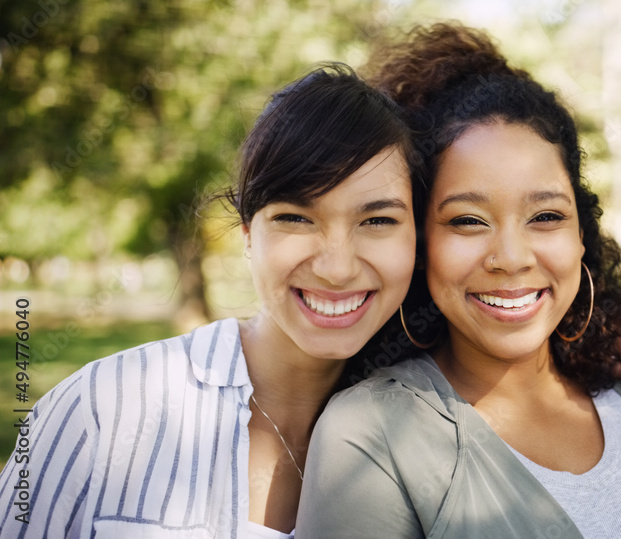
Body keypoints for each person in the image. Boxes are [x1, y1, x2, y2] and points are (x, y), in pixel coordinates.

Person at [296, 24, 621, 538]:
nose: (511, 258)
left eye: (546, 216)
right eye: (467, 220)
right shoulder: (371, 435)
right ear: (421, 246)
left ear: (582, 234)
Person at [0, 64, 419, 538]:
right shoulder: (102, 410)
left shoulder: (429, 438)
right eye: (296, 218)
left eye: (378, 221)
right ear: (247, 235)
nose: (337, 267)